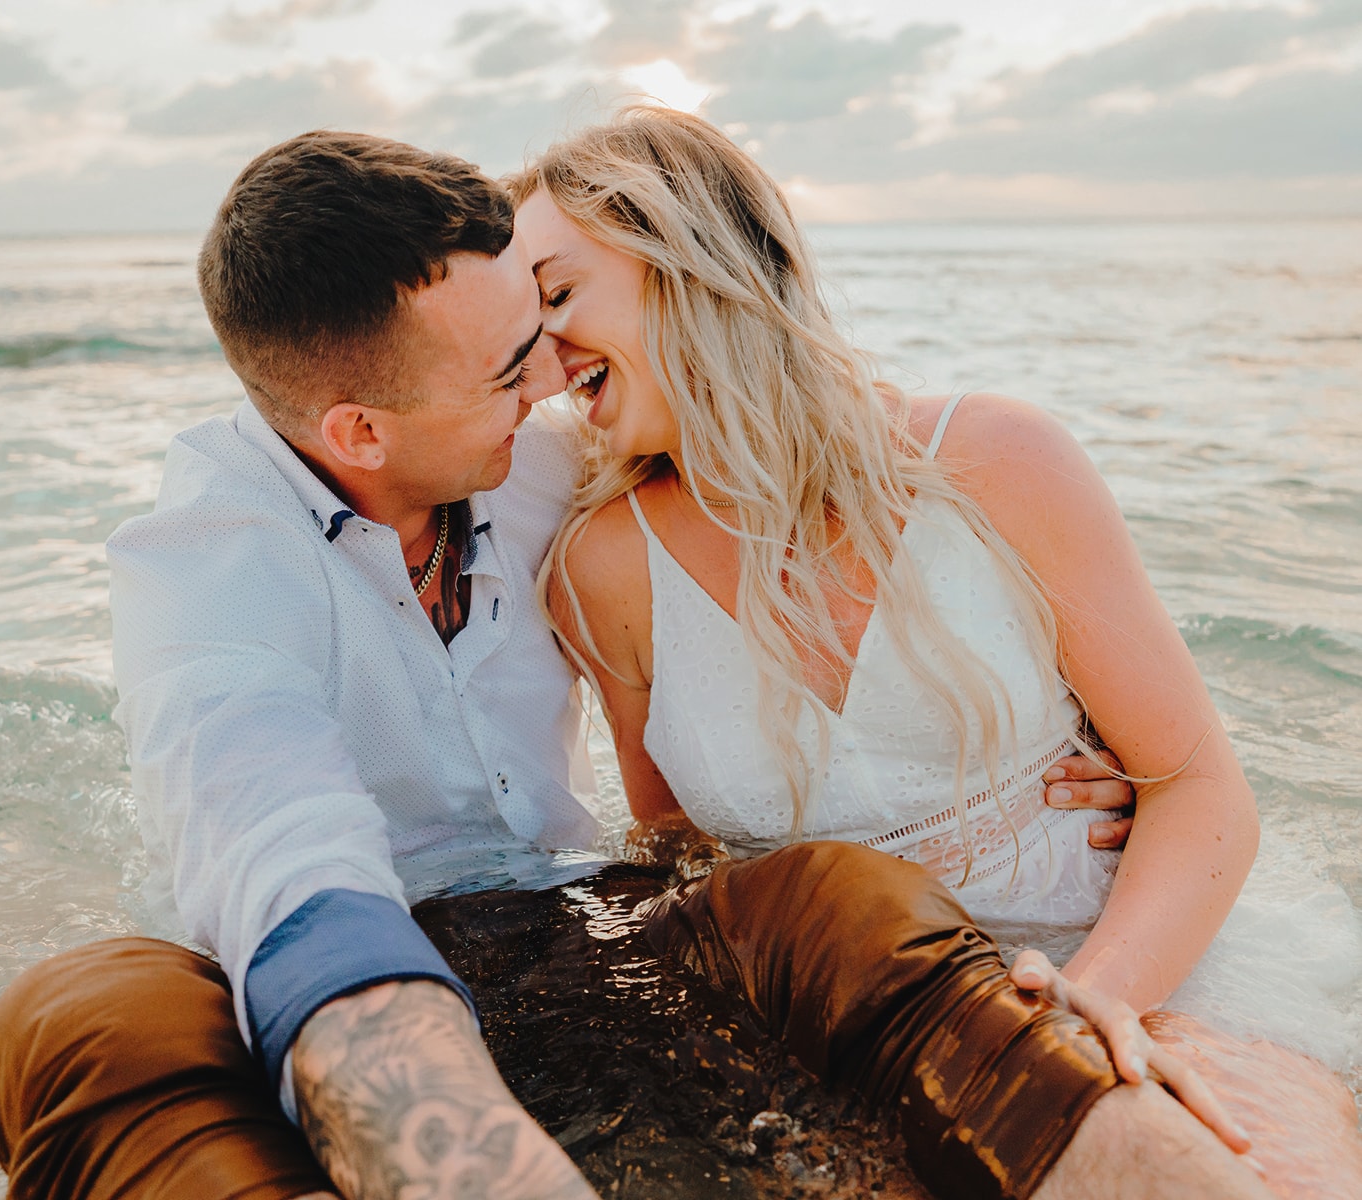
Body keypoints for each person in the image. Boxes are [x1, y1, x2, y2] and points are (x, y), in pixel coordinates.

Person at [0, 129, 1275, 1200]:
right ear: (361, 429)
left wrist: (1063, 767)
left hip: (571, 923)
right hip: (340, 967)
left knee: (833, 899)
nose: (544, 379)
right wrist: (434, 1123)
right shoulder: (214, 562)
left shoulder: (547, 464)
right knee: (86, 1016)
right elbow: (266, 819)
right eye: (511, 353)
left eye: (547, 318)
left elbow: (763, 461)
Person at [511, 107, 1362, 1198]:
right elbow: (681, 860)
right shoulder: (603, 568)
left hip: (1133, 958)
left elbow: (1197, 786)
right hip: (861, 1028)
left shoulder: (995, 460)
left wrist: (1092, 1002)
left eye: (559, 294)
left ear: (681, 255)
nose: (543, 351)